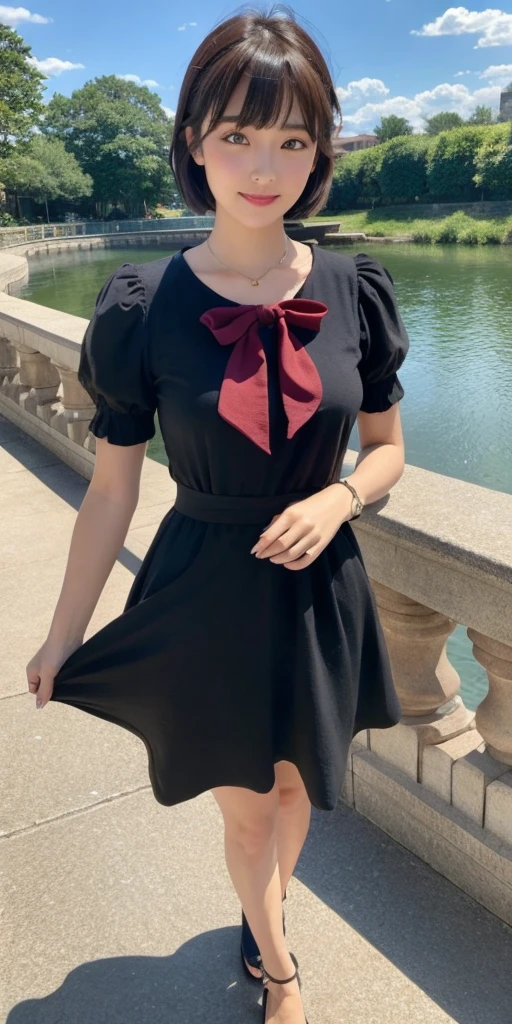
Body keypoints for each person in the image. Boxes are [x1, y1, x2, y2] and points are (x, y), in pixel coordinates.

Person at [26, 6, 410, 1023]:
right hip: (202, 581)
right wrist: (64, 634)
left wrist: (336, 497)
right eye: (236, 133)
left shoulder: (353, 287)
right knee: (245, 806)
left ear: (318, 149)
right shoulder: (138, 305)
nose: (263, 165)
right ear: (193, 141)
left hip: (319, 582)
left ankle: (259, 915)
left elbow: (385, 452)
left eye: (290, 138)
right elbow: (112, 486)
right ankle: (279, 972)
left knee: (294, 793)